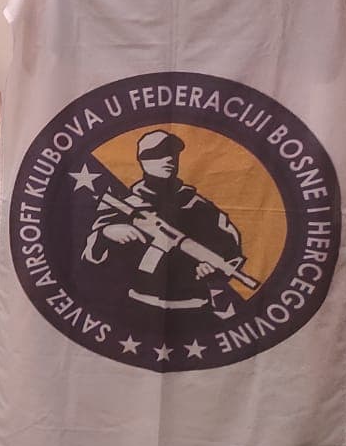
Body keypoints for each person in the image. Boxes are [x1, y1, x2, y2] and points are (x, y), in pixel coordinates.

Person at [82, 130, 247, 315]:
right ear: (143, 160)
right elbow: (89, 257)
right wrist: (107, 232)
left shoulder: (199, 206)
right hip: (134, 303)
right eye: (159, 154)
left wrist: (215, 270)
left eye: (173, 153)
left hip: (194, 305)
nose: (169, 159)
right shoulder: (126, 204)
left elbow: (232, 248)